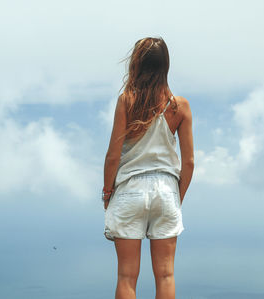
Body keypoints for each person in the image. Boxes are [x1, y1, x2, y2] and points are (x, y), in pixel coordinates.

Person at [102, 36, 194, 299]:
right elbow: (188, 162)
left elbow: (112, 157)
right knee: (165, 274)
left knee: (126, 276)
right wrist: (177, 196)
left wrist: (107, 194)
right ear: (165, 65)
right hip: (166, 190)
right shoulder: (180, 106)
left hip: (130, 190)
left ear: (137, 64)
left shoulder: (127, 101)